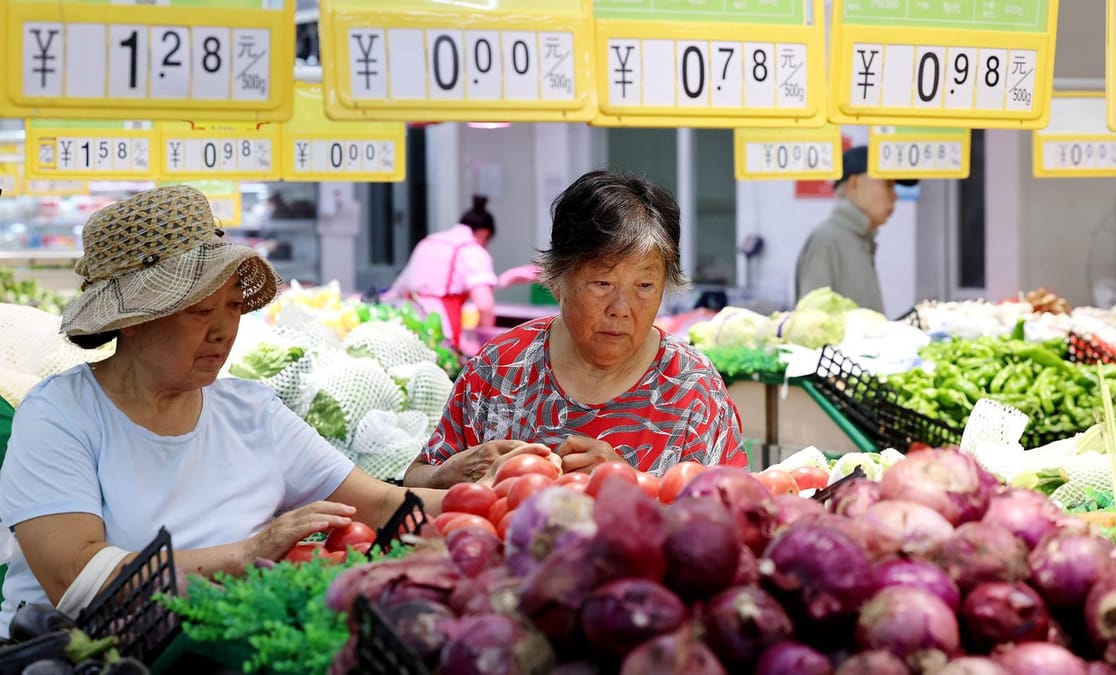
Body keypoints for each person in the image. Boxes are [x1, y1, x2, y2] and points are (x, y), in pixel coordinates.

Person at [0, 187, 534, 637]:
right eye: (200, 310)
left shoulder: (249, 411)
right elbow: (76, 577)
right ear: (135, 319)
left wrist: (515, 496)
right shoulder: (60, 416)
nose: (223, 329)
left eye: (233, 306)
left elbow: (384, 505)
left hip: (221, 646)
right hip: (75, 656)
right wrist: (249, 552)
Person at [403, 170, 749, 489]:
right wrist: (449, 474)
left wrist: (630, 484)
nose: (621, 310)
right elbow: (415, 479)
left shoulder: (693, 389)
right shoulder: (499, 369)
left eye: (644, 286)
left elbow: (733, 512)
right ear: (556, 280)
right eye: (602, 282)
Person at [794, 146, 917, 313]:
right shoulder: (826, 241)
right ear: (854, 184)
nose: (895, 196)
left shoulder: (860, 237)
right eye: (887, 184)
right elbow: (811, 327)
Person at [381, 195, 502, 351]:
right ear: (484, 233)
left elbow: (399, 287)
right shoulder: (472, 250)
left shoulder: (428, 242)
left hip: (407, 321)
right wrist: (485, 341)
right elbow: (485, 305)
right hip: (441, 326)